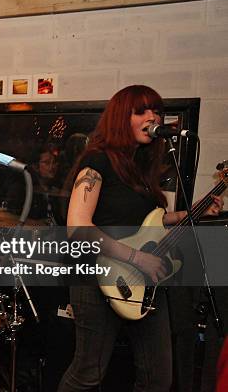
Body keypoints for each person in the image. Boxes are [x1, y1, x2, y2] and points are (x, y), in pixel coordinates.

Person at [57, 85, 224, 391]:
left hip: (145, 281)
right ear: (122, 117)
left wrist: (200, 209)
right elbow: (78, 226)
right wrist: (136, 258)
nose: (152, 117)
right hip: (97, 277)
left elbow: (152, 222)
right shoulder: (97, 160)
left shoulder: (140, 169)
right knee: (88, 374)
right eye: (142, 111)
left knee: (157, 378)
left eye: (157, 110)